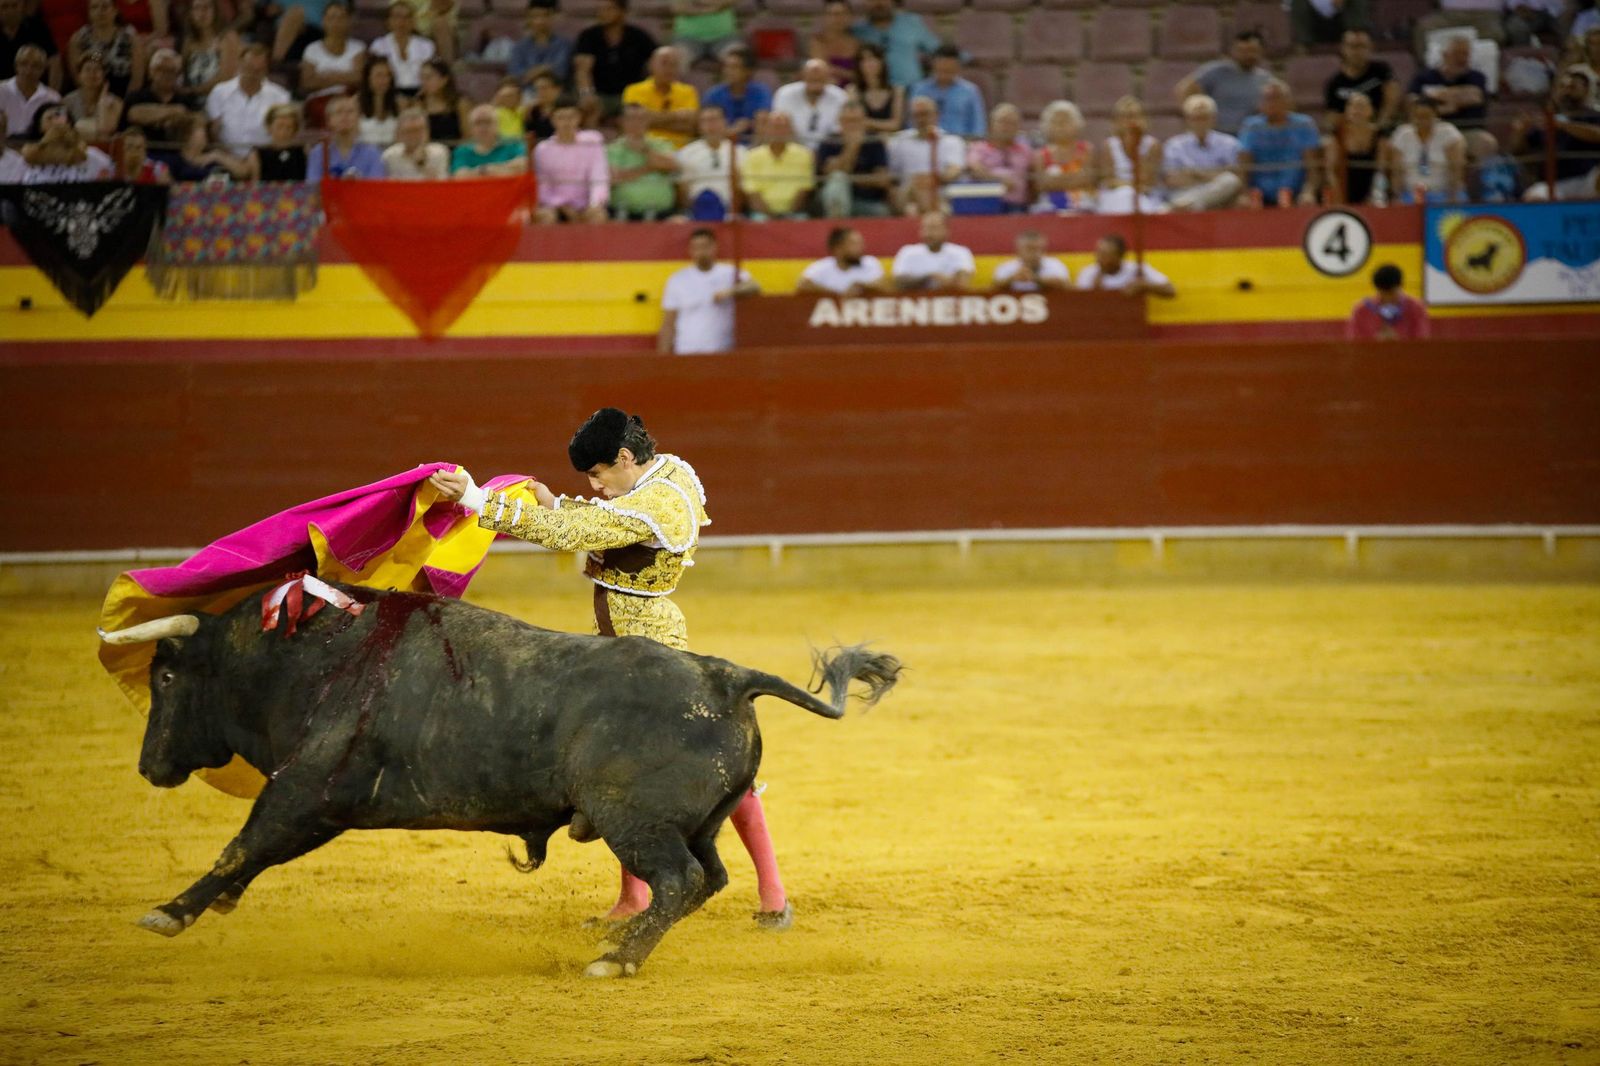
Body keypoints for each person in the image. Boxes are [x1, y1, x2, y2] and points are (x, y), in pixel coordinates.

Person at [425, 407, 793, 930]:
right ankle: (637, 898)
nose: (596, 486)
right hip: (625, 647)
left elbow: (576, 532)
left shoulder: (657, 502)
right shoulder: (665, 472)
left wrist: (474, 498)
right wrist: (556, 501)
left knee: (709, 771)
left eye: (598, 474)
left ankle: (773, 895)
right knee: (624, 770)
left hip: (648, 652)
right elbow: (604, 524)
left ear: (624, 458)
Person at [658, 227, 759, 354]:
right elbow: (668, 322)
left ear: (715, 247)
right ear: (690, 250)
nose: (701, 252)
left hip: (722, 350)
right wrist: (663, 355)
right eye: (697, 248)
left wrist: (729, 292)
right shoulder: (677, 279)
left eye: (705, 246)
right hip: (686, 351)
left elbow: (754, 286)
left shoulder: (729, 273)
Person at [1516, 66, 1600, 199]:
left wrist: (1563, 125)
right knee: (1534, 197)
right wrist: (1520, 131)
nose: (1566, 91)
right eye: (1562, 87)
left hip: (1587, 180)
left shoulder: (1593, 115)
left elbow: (1597, 135)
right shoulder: (1544, 119)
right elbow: (1517, 151)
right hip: (1554, 184)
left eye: (1573, 87)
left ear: (1586, 90)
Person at [1238, 79, 1322, 206]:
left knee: (1307, 201)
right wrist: (1243, 194)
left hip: (1294, 190)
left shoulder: (1304, 124)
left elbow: (1312, 166)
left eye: (1276, 98)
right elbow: (1244, 165)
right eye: (1267, 98)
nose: (1271, 103)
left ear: (1288, 101)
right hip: (1259, 193)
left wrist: (1308, 191)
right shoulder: (1252, 126)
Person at [1174, 30, 1272, 136]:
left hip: (1247, 135)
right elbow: (1184, 89)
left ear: (1261, 51)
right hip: (1217, 135)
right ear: (1233, 51)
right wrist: (1193, 117)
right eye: (1243, 51)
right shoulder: (1215, 71)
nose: (1248, 55)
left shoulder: (1265, 79)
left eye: (1252, 51)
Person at [573, 0, 657, 122]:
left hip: (631, 95)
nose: (602, 13)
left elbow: (654, 66)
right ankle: (591, 139)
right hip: (599, 94)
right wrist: (586, 94)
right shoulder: (589, 36)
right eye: (601, 9)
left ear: (622, 12)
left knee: (636, 113)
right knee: (588, 108)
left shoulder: (639, 37)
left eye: (608, 9)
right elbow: (583, 70)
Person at [1162, 93, 1244, 212]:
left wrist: (1195, 173)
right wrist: (1213, 174)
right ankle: (1194, 204)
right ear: (1187, 120)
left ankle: (1192, 205)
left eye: (1204, 117)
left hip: (1219, 194)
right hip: (1186, 193)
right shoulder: (1174, 145)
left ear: (1214, 118)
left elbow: (1236, 177)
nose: (1200, 122)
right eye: (1195, 118)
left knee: (1230, 180)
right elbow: (1172, 180)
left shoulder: (1230, 143)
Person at [205, 42, 288, 155]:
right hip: (226, 156)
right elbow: (213, 133)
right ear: (240, 64)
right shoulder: (219, 92)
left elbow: (283, 135)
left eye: (258, 70)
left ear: (266, 69)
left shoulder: (280, 96)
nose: (253, 74)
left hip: (266, 157)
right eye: (249, 68)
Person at [887, 94, 964, 214]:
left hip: (939, 193)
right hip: (908, 195)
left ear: (936, 115)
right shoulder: (898, 141)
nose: (921, 119)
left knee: (925, 205)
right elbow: (891, 176)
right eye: (916, 115)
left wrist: (930, 179)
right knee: (909, 200)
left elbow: (954, 170)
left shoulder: (952, 141)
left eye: (925, 114)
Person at [816, 98, 892, 217]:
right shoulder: (829, 141)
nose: (852, 126)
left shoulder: (874, 141)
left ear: (864, 121)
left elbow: (882, 180)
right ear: (840, 122)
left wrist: (849, 178)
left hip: (865, 200)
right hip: (832, 201)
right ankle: (837, 226)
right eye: (848, 121)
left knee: (881, 211)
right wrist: (852, 147)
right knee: (838, 179)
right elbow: (829, 173)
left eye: (856, 121)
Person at [533, 102, 607, 220]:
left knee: (598, 215)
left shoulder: (593, 141)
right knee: (544, 216)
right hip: (555, 205)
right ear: (552, 120)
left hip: (585, 205)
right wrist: (561, 205)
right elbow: (543, 186)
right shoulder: (543, 149)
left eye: (571, 117)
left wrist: (595, 204)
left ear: (579, 118)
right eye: (561, 118)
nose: (566, 122)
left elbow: (599, 177)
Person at [1386, 95, 1466, 202]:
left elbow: (1456, 169)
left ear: (1436, 116)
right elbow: (1396, 172)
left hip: (1442, 193)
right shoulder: (1402, 134)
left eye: (1426, 116)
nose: (1422, 120)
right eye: (1417, 116)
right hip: (1410, 193)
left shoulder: (1448, 133)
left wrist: (1452, 196)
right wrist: (1396, 196)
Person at [1095, 96, 1165, 215]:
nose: (1129, 121)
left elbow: (1147, 182)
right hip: (1115, 194)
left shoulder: (1152, 145)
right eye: (1125, 116)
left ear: (1143, 119)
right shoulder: (1109, 145)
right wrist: (1128, 187)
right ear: (1116, 120)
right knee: (1125, 196)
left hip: (1146, 195)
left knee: (1138, 201)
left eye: (1134, 116)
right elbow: (1109, 181)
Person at [620, 44, 698, 149]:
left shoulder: (688, 91)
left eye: (674, 64)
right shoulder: (634, 90)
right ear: (651, 65)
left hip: (681, 150)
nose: (669, 69)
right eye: (664, 63)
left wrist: (652, 119)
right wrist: (676, 116)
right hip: (645, 148)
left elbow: (690, 127)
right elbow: (635, 123)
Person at [609, 102, 678, 220]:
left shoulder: (661, 144)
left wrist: (645, 150)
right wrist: (651, 167)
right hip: (622, 215)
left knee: (680, 222)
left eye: (641, 119)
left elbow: (672, 165)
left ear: (648, 121)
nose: (637, 123)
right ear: (622, 122)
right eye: (632, 119)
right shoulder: (612, 149)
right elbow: (614, 178)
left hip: (663, 214)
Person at [1408, 34, 1489, 132]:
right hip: (1431, 130)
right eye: (1457, 53)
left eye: (1466, 54)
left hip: (1467, 130)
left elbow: (1474, 96)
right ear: (1444, 55)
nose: (1462, 59)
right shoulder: (1424, 77)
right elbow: (1412, 102)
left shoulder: (1477, 77)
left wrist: (1432, 95)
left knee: (1486, 141)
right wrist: (1446, 107)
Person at [740, 110, 814, 219]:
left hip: (795, 213)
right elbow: (752, 193)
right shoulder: (752, 156)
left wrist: (788, 216)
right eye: (775, 127)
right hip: (762, 214)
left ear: (790, 130)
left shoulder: (804, 154)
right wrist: (771, 217)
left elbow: (804, 190)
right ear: (767, 130)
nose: (779, 132)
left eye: (783, 127)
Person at [1323, 28, 1400, 131]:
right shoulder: (1334, 83)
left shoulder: (1381, 70)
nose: (1357, 52)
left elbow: (1392, 100)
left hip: (1381, 128)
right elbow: (1332, 117)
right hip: (1350, 133)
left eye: (1362, 46)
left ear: (1370, 48)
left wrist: (1378, 127)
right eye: (1352, 46)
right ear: (1343, 48)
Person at [676, 104, 745, 218]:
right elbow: (682, 189)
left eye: (715, 120)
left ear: (725, 122)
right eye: (705, 121)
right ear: (699, 126)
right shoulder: (687, 152)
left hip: (731, 211)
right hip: (696, 211)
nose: (711, 125)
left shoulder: (740, 152)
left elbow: (743, 188)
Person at [851, 0, 937, 89]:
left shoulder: (912, 23)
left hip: (912, 88)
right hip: (875, 93)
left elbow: (936, 51)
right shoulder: (858, 31)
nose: (879, 3)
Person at [907, 42, 984, 138]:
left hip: (960, 142)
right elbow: (911, 123)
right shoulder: (919, 89)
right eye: (941, 70)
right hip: (926, 142)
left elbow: (978, 125)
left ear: (958, 68)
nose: (944, 75)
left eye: (949, 71)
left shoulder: (970, 91)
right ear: (933, 66)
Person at [1322, 90, 1386, 204]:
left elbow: (1381, 170)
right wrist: (1339, 200)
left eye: (1361, 106)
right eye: (1351, 106)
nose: (1356, 110)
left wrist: (1375, 195)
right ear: (1346, 111)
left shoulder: (1379, 135)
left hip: (1370, 190)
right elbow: (1330, 172)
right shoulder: (1337, 135)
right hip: (1342, 190)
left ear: (1370, 111)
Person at [20, 100, 112, 179]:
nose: (56, 123)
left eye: (60, 117)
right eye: (50, 118)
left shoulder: (93, 156)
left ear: (69, 124)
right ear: (39, 127)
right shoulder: (29, 161)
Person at [773, 58, 849, 152]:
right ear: (802, 76)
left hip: (828, 150)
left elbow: (839, 131)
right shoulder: (785, 94)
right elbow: (780, 126)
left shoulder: (840, 96)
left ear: (828, 77)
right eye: (812, 78)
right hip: (792, 149)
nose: (815, 81)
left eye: (819, 78)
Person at [1031, 99, 1094, 213]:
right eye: (1055, 122)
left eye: (1065, 121)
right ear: (1047, 125)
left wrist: (1056, 180)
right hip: (1048, 204)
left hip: (1082, 201)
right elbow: (1042, 185)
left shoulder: (1086, 149)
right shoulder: (1041, 154)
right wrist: (1073, 177)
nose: (1060, 126)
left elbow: (1086, 180)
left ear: (1077, 123)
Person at [68, 0, 142, 97]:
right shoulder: (79, 39)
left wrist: (126, 103)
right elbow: (77, 76)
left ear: (115, 10)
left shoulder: (130, 37)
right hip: (91, 94)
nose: (100, 12)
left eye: (105, 7)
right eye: (94, 7)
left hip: (124, 93)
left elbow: (137, 76)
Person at [967, 102, 1031, 213]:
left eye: (1012, 123)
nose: (1006, 127)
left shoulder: (1025, 151)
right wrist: (1000, 181)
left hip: (1018, 206)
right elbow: (976, 170)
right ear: (991, 124)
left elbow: (1033, 177)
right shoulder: (979, 148)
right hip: (985, 205)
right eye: (1002, 122)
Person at [891, 209, 973, 291]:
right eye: (925, 228)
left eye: (934, 228)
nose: (928, 233)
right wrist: (928, 277)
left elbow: (962, 284)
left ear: (946, 231)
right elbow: (898, 283)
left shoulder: (960, 252)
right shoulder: (907, 252)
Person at [307, 93, 382, 181]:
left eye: (350, 111)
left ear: (358, 118)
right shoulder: (318, 153)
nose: (345, 116)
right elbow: (313, 188)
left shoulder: (372, 153)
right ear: (329, 120)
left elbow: (376, 189)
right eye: (339, 111)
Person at [701, 45, 768, 143]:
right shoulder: (713, 94)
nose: (728, 71)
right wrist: (735, 129)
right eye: (726, 67)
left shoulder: (761, 92)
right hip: (720, 146)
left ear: (747, 71)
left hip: (753, 146)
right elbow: (707, 128)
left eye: (734, 67)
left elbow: (763, 124)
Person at [124, 47, 191, 144]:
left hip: (176, 154)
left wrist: (152, 115)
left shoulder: (186, 99)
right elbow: (134, 114)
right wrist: (175, 110)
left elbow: (192, 123)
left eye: (172, 70)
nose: (167, 74)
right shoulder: (135, 97)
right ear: (151, 72)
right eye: (162, 69)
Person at [299, 0, 364, 96]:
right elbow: (308, 82)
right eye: (331, 18)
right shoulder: (312, 49)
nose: (336, 22)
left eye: (341, 18)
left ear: (349, 21)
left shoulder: (358, 48)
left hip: (349, 99)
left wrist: (325, 77)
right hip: (320, 100)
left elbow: (359, 78)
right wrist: (347, 77)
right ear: (323, 21)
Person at [1348, 263, 1428, 340]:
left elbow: (1421, 341)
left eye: (1391, 293)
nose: (1388, 298)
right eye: (1383, 293)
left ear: (1401, 285)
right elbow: (1355, 343)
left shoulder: (1415, 308)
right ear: (1377, 289)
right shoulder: (1362, 310)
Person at [1076, 234, 1176, 296]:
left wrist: (1144, 286)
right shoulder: (1088, 273)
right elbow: (1080, 304)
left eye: (1106, 255)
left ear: (1119, 256)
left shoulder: (1136, 269)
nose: (1099, 258)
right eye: (1099, 253)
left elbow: (1170, 290)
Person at [369, 1, 434, 94]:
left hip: (421, 94)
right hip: (389, 94)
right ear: (388, 21)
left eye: (407, 17)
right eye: (397, 17)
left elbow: (430, 77)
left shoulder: (427, 46)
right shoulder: (378, 45)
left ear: (413, 22)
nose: (401, 22)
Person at [798, 225, 884, 294]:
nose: (861, 248)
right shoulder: (822, 267)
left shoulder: (870, 263)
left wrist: (864, 287)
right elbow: (803, 285)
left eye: (861, 243)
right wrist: (838, 295)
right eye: (854, 244)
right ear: (838, 249)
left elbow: (885, 286)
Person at [165, 110, 250, 179]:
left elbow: (243, 173)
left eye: (204, 128)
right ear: (186, 134)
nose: (204, 132)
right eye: (199, 128)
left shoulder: (213, 156)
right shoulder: (173, 160)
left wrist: (217, 156)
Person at [180, 0, 239, 98]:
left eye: (206, 7)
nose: (201, 13)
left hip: (221, 97)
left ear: (215, 11)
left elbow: (226, 77)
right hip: (192, 98)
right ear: (191, 13)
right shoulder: (189, 42)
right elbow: (184, 74)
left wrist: (194, 90)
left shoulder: (227, 38)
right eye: (197, 8)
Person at [452, 101, 528, 176]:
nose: (483, 127)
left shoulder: (513, 144)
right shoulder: (462, 151)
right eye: (478, 123)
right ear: (471, 128)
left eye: (488, 122)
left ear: (498, 125)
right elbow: (459, 175)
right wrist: (490, 170)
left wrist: (478, 171)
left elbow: (523, 165)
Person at [1, 0, 62, 90]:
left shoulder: (37, 27)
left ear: (22, 6)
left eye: (14, 6)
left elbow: (54, 62)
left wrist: (51, 94)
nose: (10, 11)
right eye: (4, 7)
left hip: (36, 91)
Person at [508, 0, 570, 88]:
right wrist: (546, 68)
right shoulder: (519, 47)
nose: (540, 21)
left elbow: (559, 73)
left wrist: (532, 74)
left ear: (554, 17)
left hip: (554, 94)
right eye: (535, 16)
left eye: (545, 15)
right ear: (528, 18)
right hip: (525, 95)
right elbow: (517, 78)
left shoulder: (564, 45)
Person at [1, 44, 58, 133]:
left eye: (35, 66)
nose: (28, 71)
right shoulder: (1, 91)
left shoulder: (52, 98)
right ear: (16, 66)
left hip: (37, 145)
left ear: (43, 69)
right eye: (24, 64)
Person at [61, 50, 120, 137]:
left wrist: (102, 102)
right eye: (87, 69)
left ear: (104, 75)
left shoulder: (115, 102)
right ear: (79, 76)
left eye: (97, 69)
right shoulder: (67, 101)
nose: (92, 74)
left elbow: (106, 130)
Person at [992, 229, 1069, 293]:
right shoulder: (1007, 267)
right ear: (1019, 250)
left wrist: (1035, 278)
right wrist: (1012, 279)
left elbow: (1065, 287)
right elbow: (993, 289)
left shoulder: (1055, 264)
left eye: (1039, 249)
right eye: (1029, 249)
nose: (1035, 253)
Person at [382, 105, 448, 177]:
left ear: (427, 132)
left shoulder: (439, 153)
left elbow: (442, 184)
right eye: (409, 131)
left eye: (418, 130)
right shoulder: (390, 156)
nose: (414, 136)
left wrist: (421, 164)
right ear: (400, 134)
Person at [849, 42, 900, 134]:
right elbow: (855, 122)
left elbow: (896, 124)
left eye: (873, 58)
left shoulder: (897, 91)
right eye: (863, 60)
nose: (868, 63)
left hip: (892, 142)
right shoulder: (852, 90)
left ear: (882, 62)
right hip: (864, 141)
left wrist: (867, 122)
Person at [248, 100, 306, 180]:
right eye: (279, 126)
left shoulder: (303, 151)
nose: (283, 132)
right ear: (269, 127)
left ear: (295, 130)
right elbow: (255, 184)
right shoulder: (258, 153)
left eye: (289, 127)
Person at [417, 56, 468, 143]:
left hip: (455, 149)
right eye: (422, 78)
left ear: (444, 79)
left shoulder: (460, 103)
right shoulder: (419, 103)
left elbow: (468, 136)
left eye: (428, 77)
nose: (424, 82)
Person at [671, 0, 737, 66]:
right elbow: (679, 7)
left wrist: (699, 4)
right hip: (687, 38)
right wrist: (712, 7)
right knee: (677, 61)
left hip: (724, 37)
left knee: (737, 60)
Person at [810, 0, 859, 87]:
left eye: (842, 14)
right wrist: (848, 74)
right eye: (831, 14)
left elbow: (862, 75)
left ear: (850, 17)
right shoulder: (818, 41)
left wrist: (836, 71)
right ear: (824, 17)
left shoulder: (857, 43)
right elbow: (821, 70)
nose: (837, 19)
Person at [356, 53, 400, 145]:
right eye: (379, 75)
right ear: (368, 78)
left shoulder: (400, 103)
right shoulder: (355, 103)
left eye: (387, 75)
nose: (384, 80)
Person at [1290, 0, 1370, 47]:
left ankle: (1356, 40)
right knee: (1298, 3)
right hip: (1316, 24)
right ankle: (1306, 46)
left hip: (1344, 23)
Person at [521, 68, 561, 139]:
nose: (540, 92)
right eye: (537, 89)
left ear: (557, 89)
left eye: (544, 88)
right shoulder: (533, 111)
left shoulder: (565, 108)